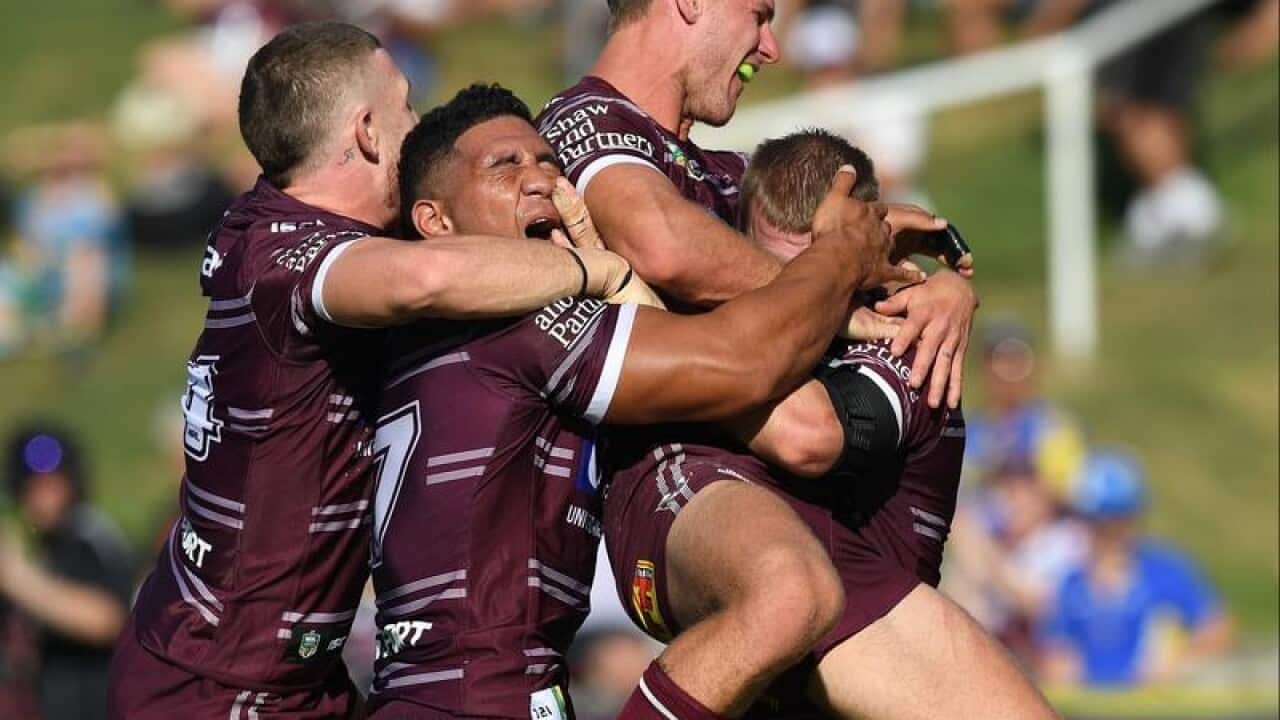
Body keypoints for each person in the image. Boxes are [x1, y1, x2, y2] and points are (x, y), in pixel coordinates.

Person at [109, 22, 640, 719]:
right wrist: (595, 268)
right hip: (213, 680)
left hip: (300, 679)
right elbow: (422, 279)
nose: (417, 126)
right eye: (407, 107)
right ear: (365, 131)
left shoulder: (278, 225)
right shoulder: (287, 258)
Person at [365, 84, 911, 718]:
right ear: (436, 222)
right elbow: (739, 363)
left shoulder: (415, 331)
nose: (541, 179)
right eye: (504, 166)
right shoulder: (520, 324)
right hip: (475, 696)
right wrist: (843, 258)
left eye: (547, 162)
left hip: (445, 688)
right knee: (791, 592)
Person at [536, 0, 981, 713]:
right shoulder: (585, 125)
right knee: (789, 591)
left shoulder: (715, 168)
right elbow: (666, 247)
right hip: (681, 487)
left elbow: (856, 227)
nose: (771, 46)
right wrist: (843, 294)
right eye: (759, 13)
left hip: (778, 506)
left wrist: (940, 287)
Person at [600, 129, 1054, 718]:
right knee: (787, 590)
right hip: (785, 588)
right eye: (770, 272)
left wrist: (666, 332)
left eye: (818, 272)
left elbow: (806, 435)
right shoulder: (725, 313)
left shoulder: (912, 333)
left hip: (864, 610)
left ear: (862, 255)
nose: (794, 302)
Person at [1038, 450, 1234, 687]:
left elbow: (1217, 628)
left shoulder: (1166, 571)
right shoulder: (1070, 583)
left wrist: (1181, 660)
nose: (1105, 534)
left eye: (1114, 522)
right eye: (1095, 522)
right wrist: (1059, 667)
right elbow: (1056, 649)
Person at [2, 424, 134, 720]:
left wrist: (18, 579)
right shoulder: (34, 545)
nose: (44, 497)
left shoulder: (92, 538)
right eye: (34, 487)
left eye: (53, 485)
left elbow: (109, 618)